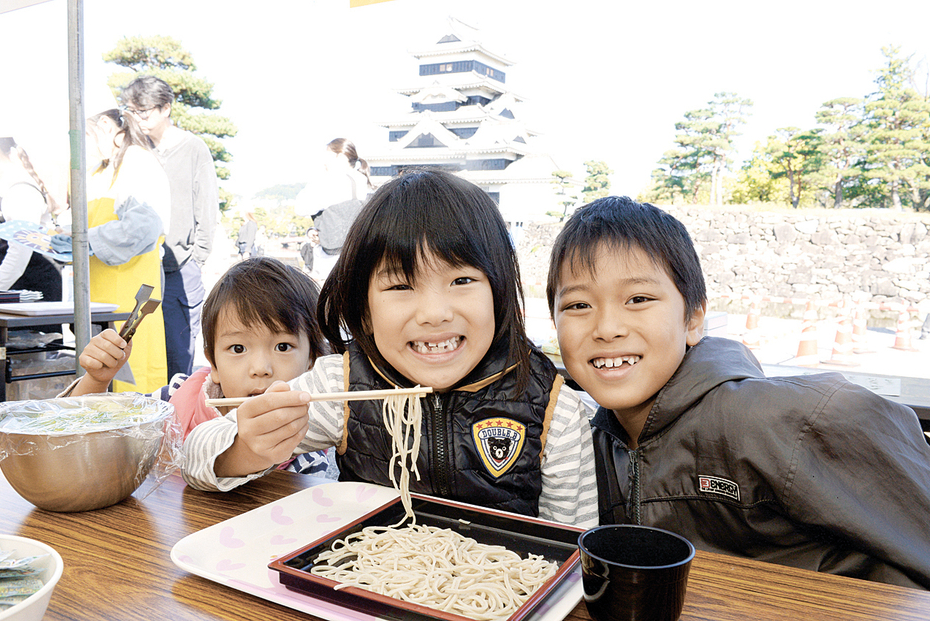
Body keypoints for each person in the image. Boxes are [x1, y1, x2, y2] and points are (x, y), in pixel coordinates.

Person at [546, 195, 930, 589]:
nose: (607, 327)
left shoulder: (773, 421)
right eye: (578, 305)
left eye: (638, 299)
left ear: (694, 318)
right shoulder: (585, 442)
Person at [183, 169, 598, 528]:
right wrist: (246, 447)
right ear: (364, 307)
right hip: (364, 586)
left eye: (462, 281)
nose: (434, 314)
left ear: (500, 290)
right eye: (400, 286)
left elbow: (573, 551)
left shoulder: (552, 408)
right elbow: (195, 457)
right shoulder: (341, 385)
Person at [61, 257, 334, 477]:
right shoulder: (174, 399)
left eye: (282, 347)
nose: (260, 368)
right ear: (213, 363)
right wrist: (96, 380)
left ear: (312, 362)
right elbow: (80, 432)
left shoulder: (307, 457)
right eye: (238, 349)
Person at [52, 93, 171, 394]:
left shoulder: (137, 162)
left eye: (86, 136)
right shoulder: (100, 171)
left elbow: (142, 228)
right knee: (99, 382)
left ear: (105, 125)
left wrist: (83, 240)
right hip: (99, 300)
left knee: (129, 387)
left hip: (128, 297)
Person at [119, 76, 219, 381]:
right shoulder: (133, 149)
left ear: (166, 108)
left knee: (179, 355)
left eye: (143, 112)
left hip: (179, 267)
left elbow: (207, 206)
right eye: (131, 112)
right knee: (137, 352)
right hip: (139, 266)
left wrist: (197, 258)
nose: (136, 119)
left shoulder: (193, 148)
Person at [0, 136, 64, 334]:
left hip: (35, 287)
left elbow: (20, 253)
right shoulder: (8, 189)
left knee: (34, 358)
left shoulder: (21, 192)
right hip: (20, 285)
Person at [295, 138, 375, 283]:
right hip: (358, 253)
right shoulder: (362, 180)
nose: (324, 161)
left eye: (327, 155)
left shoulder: (330, 181)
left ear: (339, 156)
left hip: (330, 257)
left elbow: (300, 207)